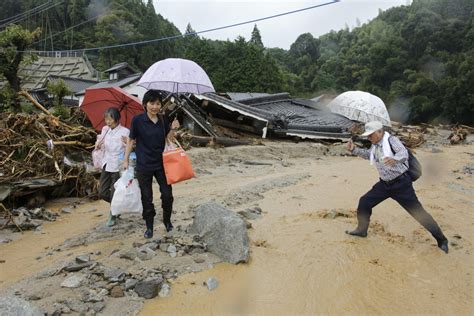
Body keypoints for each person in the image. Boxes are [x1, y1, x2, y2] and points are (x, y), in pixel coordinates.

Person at [346, 121, 449, 253]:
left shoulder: (392, 140)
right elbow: (369, 156)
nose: (369, 138)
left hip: (401, 185)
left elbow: (403, 153)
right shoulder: (375, 145)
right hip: (384, 185)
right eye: (368, 136)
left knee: (419, 214)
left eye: (371, 135)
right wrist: (353, 150)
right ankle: (361, 230)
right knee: (364, 202)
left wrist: (395, 159)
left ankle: (442, 240)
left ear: (380, 132)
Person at [123, 90, 179, 239]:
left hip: (162, 164)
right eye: (152, 103)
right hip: (144, 165)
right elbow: (130, 140)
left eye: (158, 103)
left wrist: (173, 128)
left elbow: (169, 140)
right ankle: (149, 226)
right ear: (145, 104)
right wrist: (126, 159)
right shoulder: (138, 120)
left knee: (167, 195)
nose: (155, 106)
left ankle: (167, 220)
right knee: (146, 197)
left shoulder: (162, 119)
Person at [96, 107, 130, 227]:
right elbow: (102, 144)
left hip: (118, 165)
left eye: (111, 119)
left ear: (117, 119)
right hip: (106, 163)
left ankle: (113, 214)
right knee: (102, 192)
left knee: (114, 192)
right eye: (106, 119)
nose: (108, 122)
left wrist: (128, 143)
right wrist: (99, 145)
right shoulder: (105, 130)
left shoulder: (125, 132)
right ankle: (118, 206)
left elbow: (129, 148)